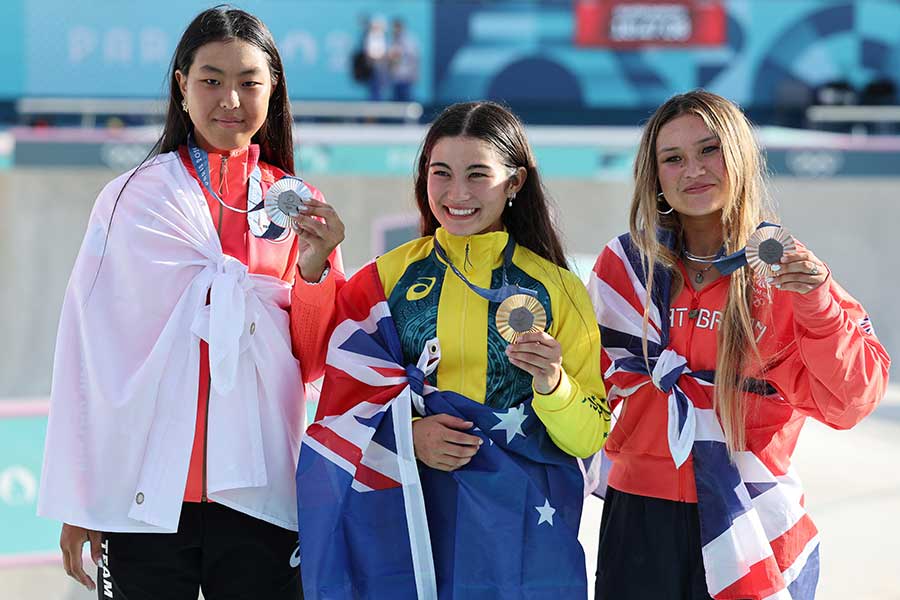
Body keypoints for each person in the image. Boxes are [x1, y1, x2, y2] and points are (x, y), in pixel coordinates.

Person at [37, 7, 344, 599]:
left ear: (273, 87)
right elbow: (89, 354)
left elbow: (313, 360)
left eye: (249, 81)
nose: (230, 98)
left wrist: (312, 270)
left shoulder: (298, 203)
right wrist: (81, 498)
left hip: (261, 492)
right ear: (181, 85)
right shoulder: (132, 198)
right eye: (211, 79)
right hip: (144, 492)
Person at [294, 101, 611, 597]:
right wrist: (408, 436)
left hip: (522, 531)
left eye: (477, 174)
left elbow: (588, 436)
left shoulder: (559, 288)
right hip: (413, 520)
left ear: (515, 183)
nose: (457, 193)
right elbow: (337, 399)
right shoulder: (384, 278)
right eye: (441, 173)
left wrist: (554, 385)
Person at [588, 90, 891, 600]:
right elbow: (583, 388)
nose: (693, 170)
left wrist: (815, 303)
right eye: (673, 158)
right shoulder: (625, 268)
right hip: (641, 517)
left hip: (750, 515)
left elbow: (850, 402)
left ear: (741, 158)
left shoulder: (783, 269)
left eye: (710, 150)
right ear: (654, 176)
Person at [388, 18, 419, 102]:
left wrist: (414, 74)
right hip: (395, 77)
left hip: (406, 76)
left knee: (406, 102)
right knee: (396, 103)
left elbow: (414, 59)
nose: (394, 30)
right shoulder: (392, 41)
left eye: (396, 28)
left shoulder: (408, 41)